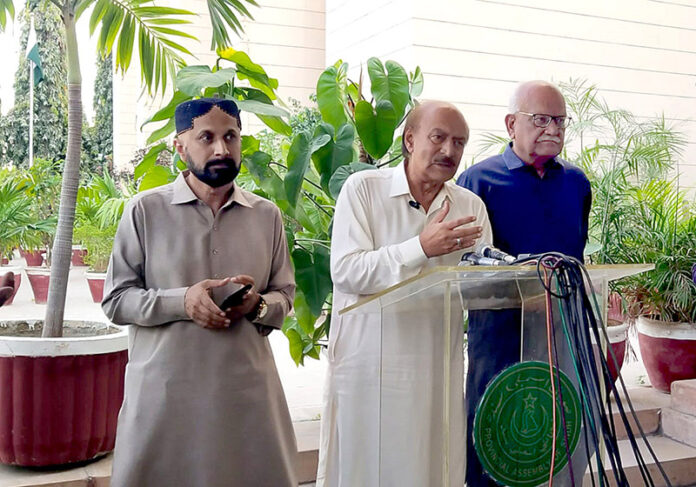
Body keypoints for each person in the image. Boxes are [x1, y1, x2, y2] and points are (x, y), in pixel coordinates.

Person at [102, 98, 297, 486]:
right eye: (206, 137)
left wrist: (258, 306)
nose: (221, 149)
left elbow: (284, 296)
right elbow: (116, 299)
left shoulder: (266, 215)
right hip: (165, 398)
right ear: (180, 145)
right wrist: (183, 301)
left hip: (246, 396)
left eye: (231, 137)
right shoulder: (145, 211)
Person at [317, 100, 492, 486]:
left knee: (430, 470)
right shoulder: (363, 190)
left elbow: (480, 288)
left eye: (459, 143)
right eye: (439, 137)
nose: (449, 151)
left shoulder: (469, 207)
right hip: (370, 372)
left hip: (435, 372)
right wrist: (421, 248)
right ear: (410, 140)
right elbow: (347, 271)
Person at [457, 80, 592, 486]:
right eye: (541, 119)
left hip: (564, 329)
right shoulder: (477, 182)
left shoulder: (577, 183)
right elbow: (468, 268)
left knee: (561, 434)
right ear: (511, 124)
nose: (553, 129)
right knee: (493, 435)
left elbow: (577, 253)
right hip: (500, 337)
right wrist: (522, 292)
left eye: (561, 121)